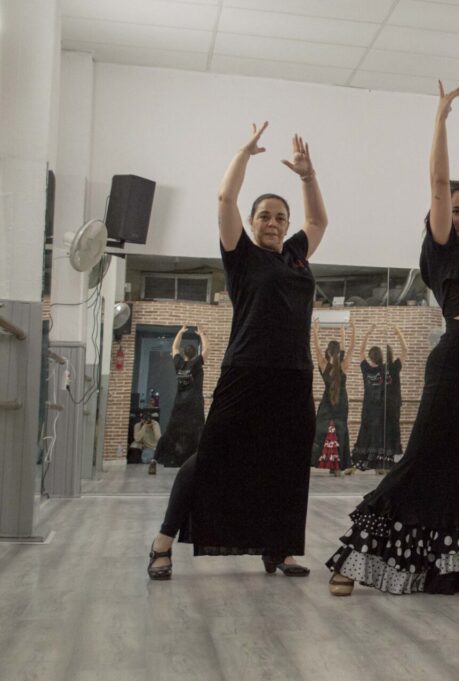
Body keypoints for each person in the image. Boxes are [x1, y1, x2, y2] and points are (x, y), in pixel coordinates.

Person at [326, 83, 459, 597]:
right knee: (424, 458)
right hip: (457, 361)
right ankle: (355, 559)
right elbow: (439, 183)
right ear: (442, 215)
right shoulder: (441, 249)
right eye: (458, 210)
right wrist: (441, 119)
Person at [147, 124, 327, 580]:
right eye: (264, 216)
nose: (273, 223)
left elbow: (319, 221)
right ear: (252, 222)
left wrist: (308, 178)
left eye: (280, 218)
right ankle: (163, 540)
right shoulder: (241, 254)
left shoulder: (297, 257)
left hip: (294, 376)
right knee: (210, 456)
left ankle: (280, 549)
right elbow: (225, 200)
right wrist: (243, 154)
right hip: (246, 372)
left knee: (286, 463)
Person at [152, 324, 208, 473]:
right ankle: (198, 460)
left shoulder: (179, 363)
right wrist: (202, 334)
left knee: (173, 430)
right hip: (194, 403)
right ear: (195, 354)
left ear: (185, 354)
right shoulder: (196, 363)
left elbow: (174, 348)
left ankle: (159, 458)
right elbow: (207, 351)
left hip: (180, 403)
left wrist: (180, 332)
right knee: (197, 430)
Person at [311, 318, 356, 476]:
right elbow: (351, 348)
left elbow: (315, 347)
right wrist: (352, 329)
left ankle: (327, 462)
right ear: (338, 353)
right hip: (341, 402)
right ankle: (336, 466)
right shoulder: (344, 366)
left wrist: (315, 332)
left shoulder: (324, 364)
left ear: (328, 352)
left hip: (327, 402)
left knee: (323, 431)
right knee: (340, 431)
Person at [352, 324, 390, 473]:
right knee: (377, 434)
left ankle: (362, 461)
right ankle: (376, 465)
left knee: (365, 432)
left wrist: (367, 333)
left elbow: (360, 351)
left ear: (370, 356)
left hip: (367, 407)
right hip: (379, 407)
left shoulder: (366, 368)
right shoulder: (384, 369)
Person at [382, 326, 408, 464]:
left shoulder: (383, 368)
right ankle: (393, 454)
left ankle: (388, 455)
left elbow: (404, 351)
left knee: (385, 428)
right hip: (394, 402)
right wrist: (399, 333)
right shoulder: (394, 366)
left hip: (387, 402)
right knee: (393, 427)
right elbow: (405, 350)